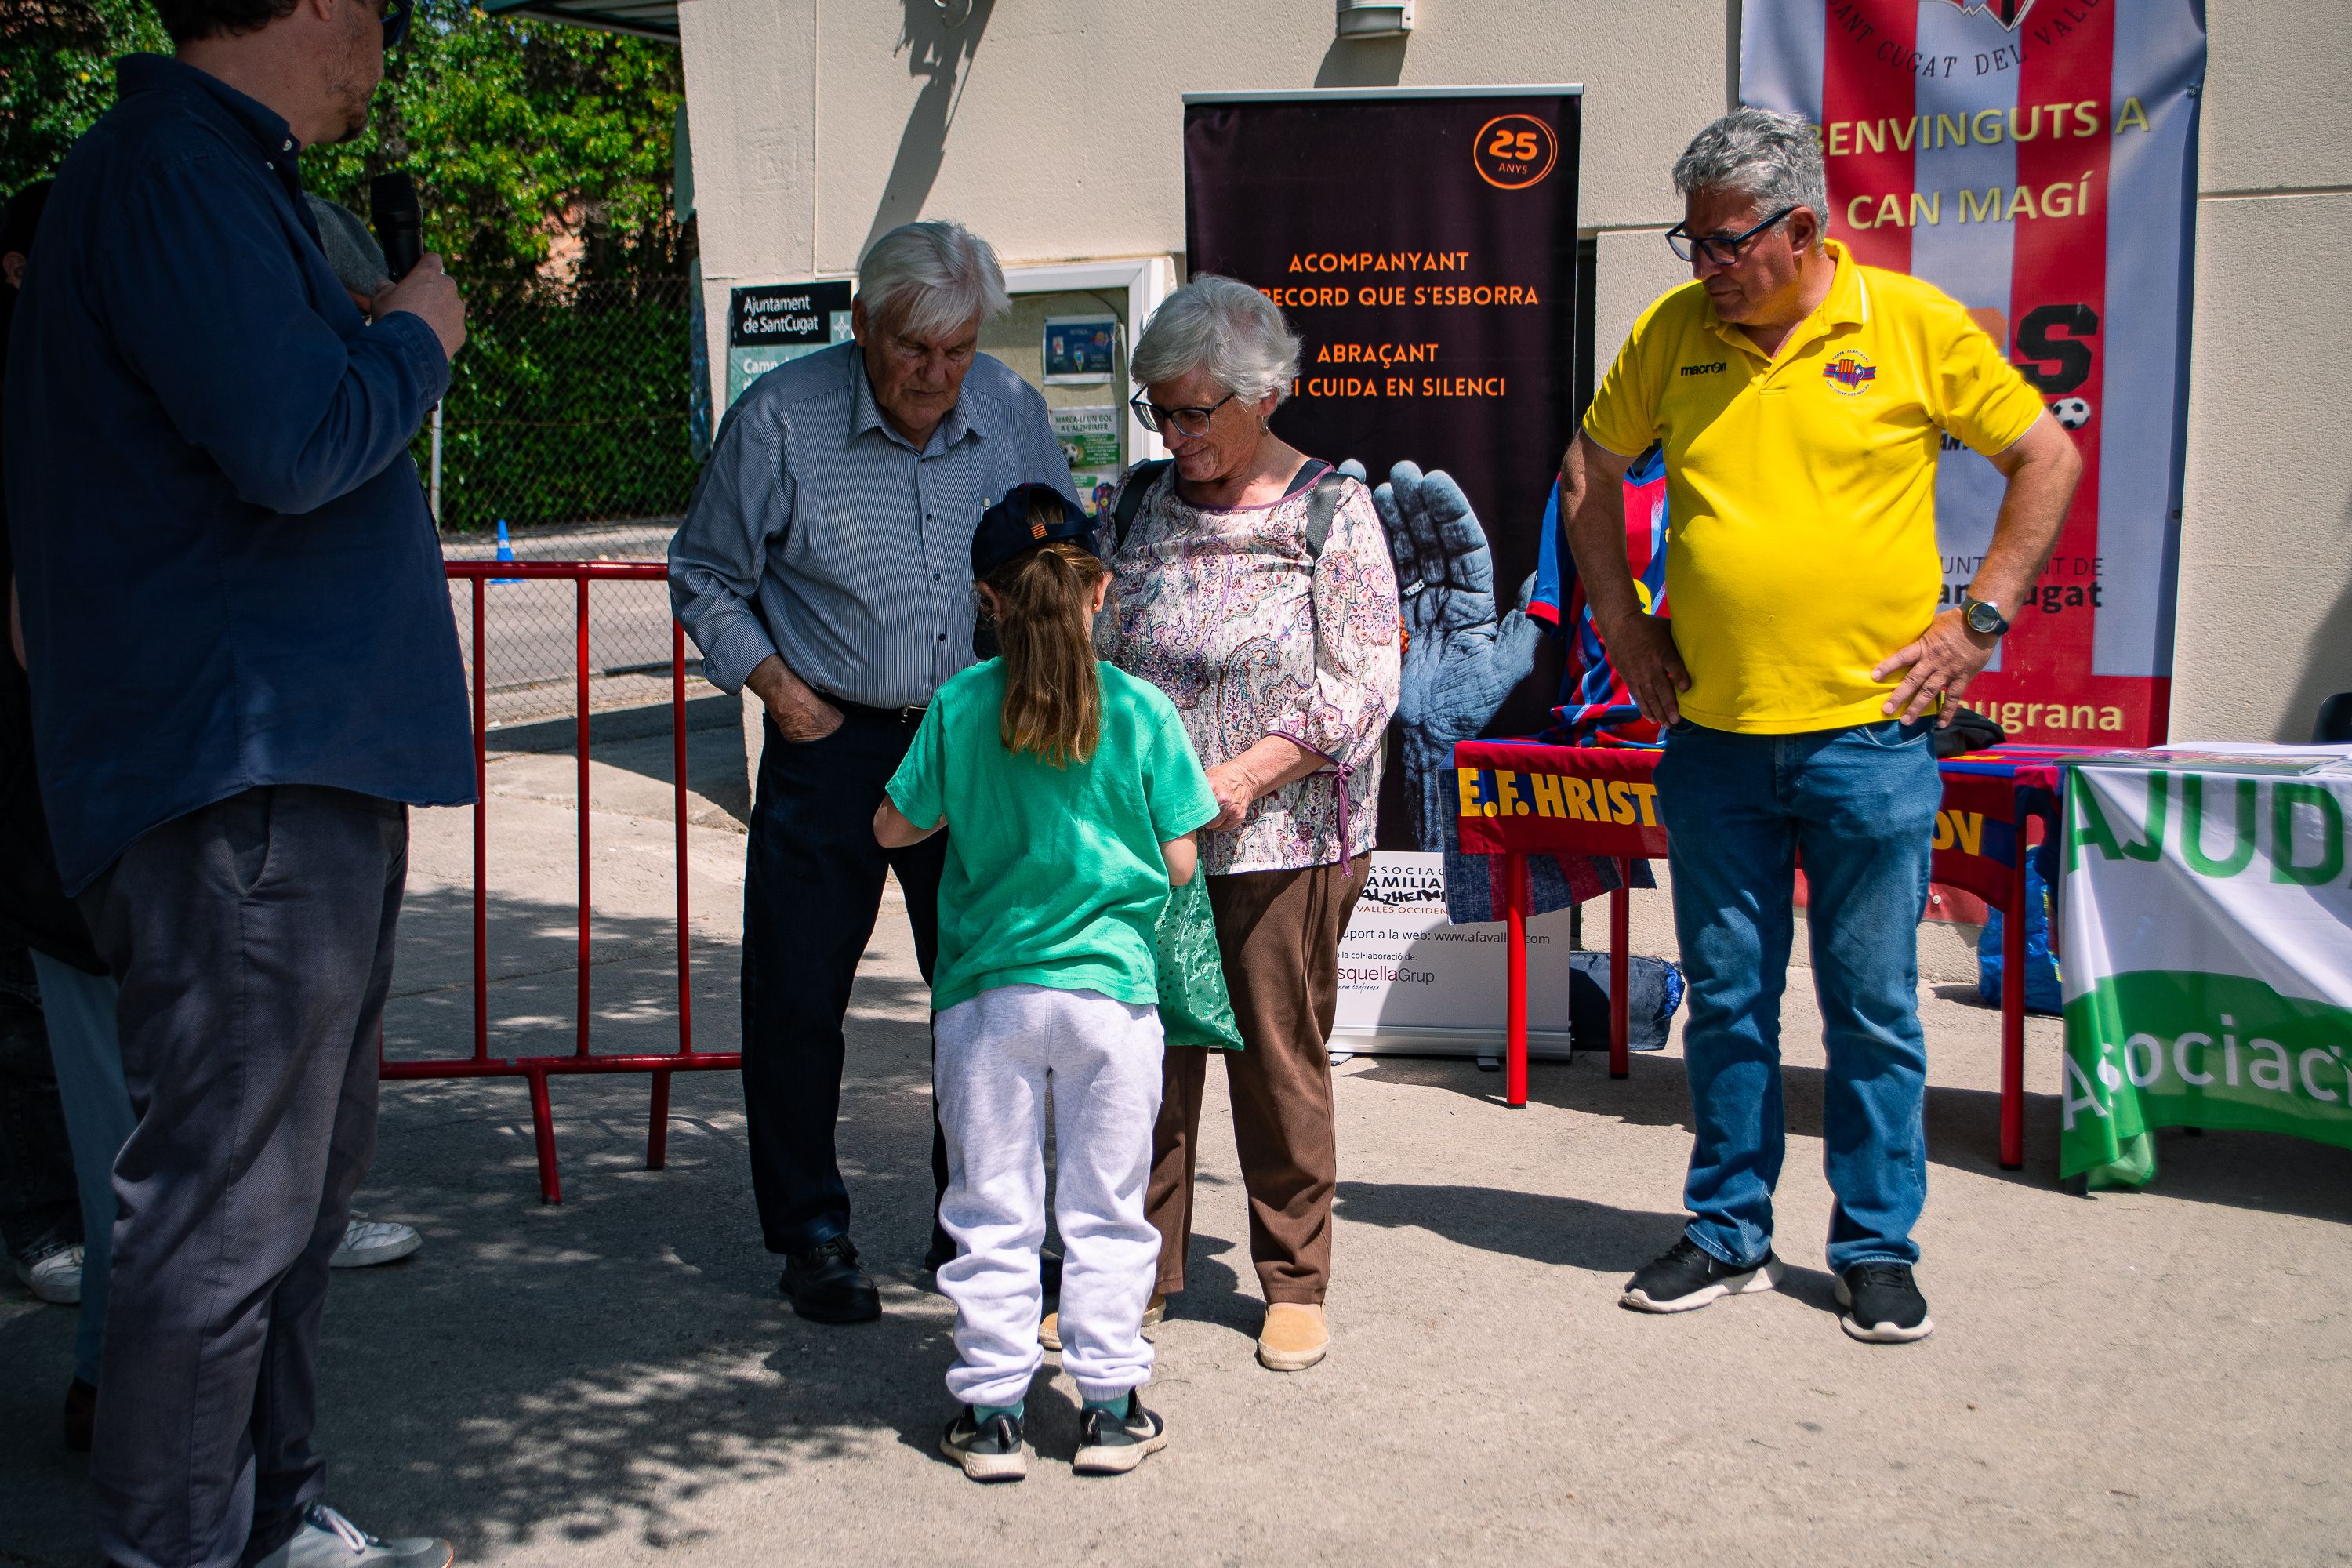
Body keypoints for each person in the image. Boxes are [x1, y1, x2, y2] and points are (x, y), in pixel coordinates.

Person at [5, 0, 473, 1556]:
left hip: (274, 768)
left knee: (285, 1206)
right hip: (245, 772)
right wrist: (414, 334)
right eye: (380, 16)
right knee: (228, 1219)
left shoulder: (196, 176)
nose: (382, 47)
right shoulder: (177, 172)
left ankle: (273, 1519)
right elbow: (292, 443)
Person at [1563, 108, 2080, 1345]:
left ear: (1801, 228)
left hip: (1869, 739)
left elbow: (2045, 459)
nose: (1704, 266)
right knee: (1729, 1000)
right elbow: (1588, 471)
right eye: (1690, 242)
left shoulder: (1907, 324)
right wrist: (1626, 631)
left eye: (1725, 242)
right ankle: (1728, 1230)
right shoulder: (1672, 334)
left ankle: (1875, 1248)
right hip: (1716, 741)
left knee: (1873, 1008)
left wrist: (1977, 623)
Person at [670, 220, 1077, 1326]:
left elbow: (1057, 563)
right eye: (913, 349)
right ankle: (810, 1234)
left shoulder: (1010, 408)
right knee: (799, 999)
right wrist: (782, 695)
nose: (938, 376)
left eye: (958, 350)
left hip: (980, 745)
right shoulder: (782, 418)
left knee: (986, 999)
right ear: (862, 325)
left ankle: (978, 1228)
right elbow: (703, 571)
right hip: (831, 740)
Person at [877, 483, 1218, 1482]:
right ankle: (1110, 1406)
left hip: (988, 996)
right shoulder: (1143, 709)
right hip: (1112, 997)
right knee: (1109, 1204)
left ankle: (991, 1413)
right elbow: (1184, 862)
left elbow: (895, 825)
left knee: (993, 1203)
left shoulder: (959, 705)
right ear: (1100, 588)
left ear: (989, 598)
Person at [1091, 276, 1400, 1374]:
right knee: (1143, 1059)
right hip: (1146, 837)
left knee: (1276, 1059)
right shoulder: (1137, 503)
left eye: (1194, 411)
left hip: (1282, 838)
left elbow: (1362, 682)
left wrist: (1243, 776)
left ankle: (1295, 1280)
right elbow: (1090, 640)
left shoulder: (1331, 509)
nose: (1174, 435)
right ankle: (1134, 1276)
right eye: (1159, 411)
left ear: (1264, 395)